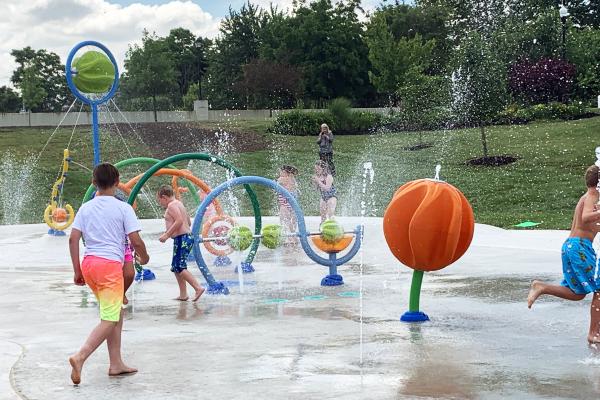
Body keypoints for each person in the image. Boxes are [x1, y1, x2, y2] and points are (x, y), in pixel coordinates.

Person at [68, 163, 149, 385]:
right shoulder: (123, 209)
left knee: (115, 313)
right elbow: (135, 240)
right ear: (117, 182)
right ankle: (80, 356)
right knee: (110, 318)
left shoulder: (85, 208)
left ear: (94, 183)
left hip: (89, 265)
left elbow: (73, 239)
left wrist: (77, 270)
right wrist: (145, 256)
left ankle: (116, 364)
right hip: (109, 267)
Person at [528, 165, 600, 343]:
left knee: (577, 293)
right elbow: (585, 218)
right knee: (597, 291)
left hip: (571, 247)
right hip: (580, 249)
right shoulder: (592, 195)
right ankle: (593, 333)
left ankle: (542, 287)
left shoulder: (589, 198)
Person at [157, 185, 205, 302]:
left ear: (164, 197)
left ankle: (198, 288)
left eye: (159, 200)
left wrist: (167, 235)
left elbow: (179, 221)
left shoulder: (171, 205)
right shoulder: (179, 203)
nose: (160, 203)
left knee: (179, 266)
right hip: (184, 238)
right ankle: (183, 294)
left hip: (182, 238)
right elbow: (187, 221)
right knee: (176, 267)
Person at [277, 165, 300, 241]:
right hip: (293, 203)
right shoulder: (293, 179)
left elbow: (274, 185)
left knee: (284, 220)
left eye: (280, 171)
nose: (279, 173)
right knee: (292, 221)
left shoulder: (282, 179)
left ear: (285, 172)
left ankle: (291, 236)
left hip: (284, 203)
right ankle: (293, 236)